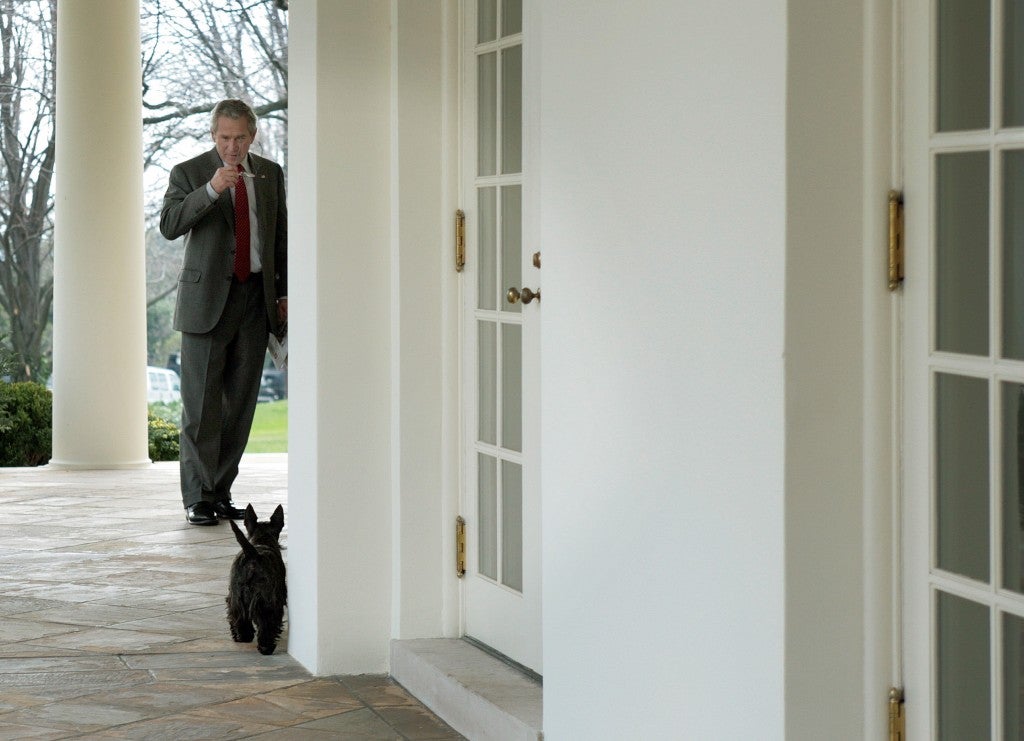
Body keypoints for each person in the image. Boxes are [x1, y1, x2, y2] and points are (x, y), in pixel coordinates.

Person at [160, 99, 287, 526]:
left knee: (240, 407)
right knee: (200, 407)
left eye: (240, 138)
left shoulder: (270, 173)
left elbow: (280, 237)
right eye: (225, 138)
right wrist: (212, 189)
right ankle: (197, 497)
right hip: (206, 302)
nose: (233, 147)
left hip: (255, 301)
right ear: (213, 135)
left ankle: (219, 491)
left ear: (253, 136)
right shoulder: (189, 172)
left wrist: (283, 294)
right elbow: (170, 224)